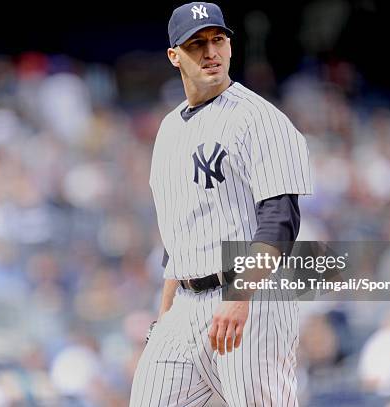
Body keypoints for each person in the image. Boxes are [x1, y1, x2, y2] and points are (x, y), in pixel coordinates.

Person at [130, 2, 312, 406]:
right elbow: (177, 239)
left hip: (251, 300)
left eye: (218, 39)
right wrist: (163, 318)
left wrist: (239, 297)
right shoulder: (169, 129)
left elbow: (279, 222)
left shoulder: (261, 119)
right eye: (197, 44)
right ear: (174, 56)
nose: (211, 51)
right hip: (184, 305)